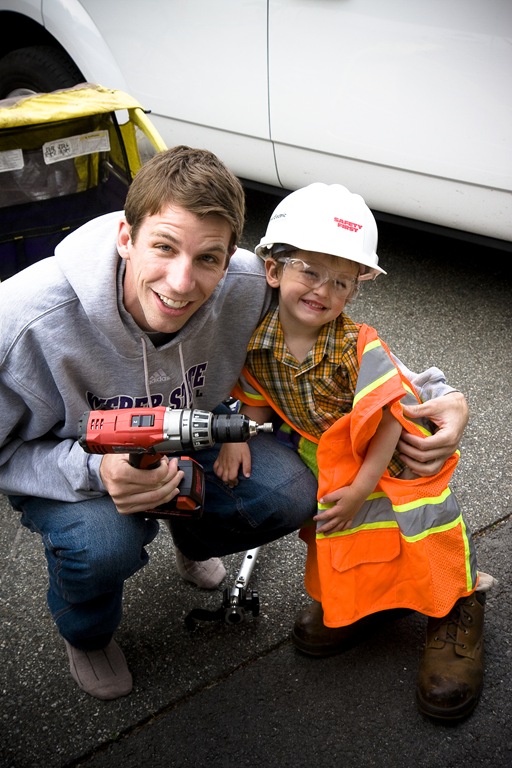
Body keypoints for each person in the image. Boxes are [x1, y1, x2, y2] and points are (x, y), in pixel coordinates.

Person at [0, 148, 468, 703]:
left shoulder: (249, 284)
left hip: (194, 436)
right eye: (164, 247)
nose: (181, 283)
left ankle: (191, 537)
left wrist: (442, 395)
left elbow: (340, 343)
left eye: (208, 259)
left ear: (233, 261)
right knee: (104, 545)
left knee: (292, 491)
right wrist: (96, 469)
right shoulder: (23, 324)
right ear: (126, 237)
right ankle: (89, 633)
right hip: (71, 463)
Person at [214, 182, 493, 721]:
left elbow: (390, 418)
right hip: (335, 461)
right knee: (348, 538)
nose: (323, 289)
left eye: (341, 280)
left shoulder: (357, 344)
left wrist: (365, 484)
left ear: (355, 290)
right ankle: (369, 604)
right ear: (272, 270)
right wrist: (237, 438)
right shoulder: (258, 340)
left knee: (423, 535)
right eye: (309, 271)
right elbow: (255, 399)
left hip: (398, 463)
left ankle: (457, 609)